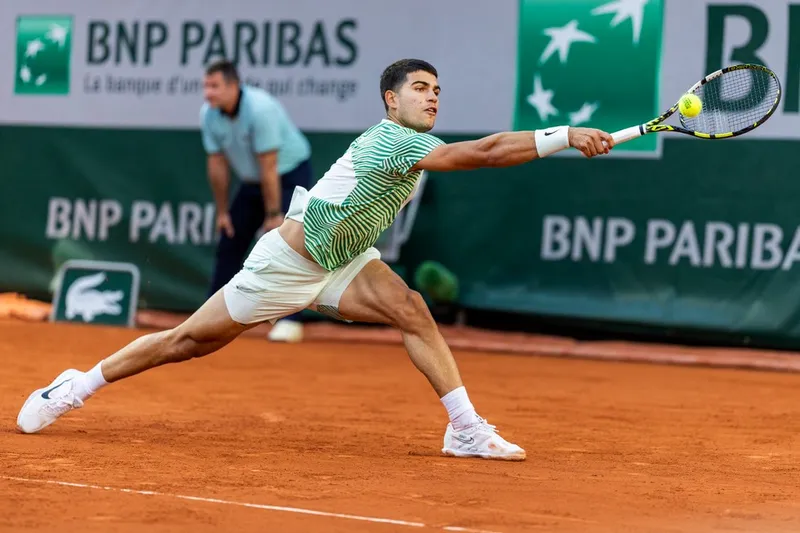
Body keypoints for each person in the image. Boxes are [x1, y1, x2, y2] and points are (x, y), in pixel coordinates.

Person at [16, 58, 614, 461]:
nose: (432, 98)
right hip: (286, 266)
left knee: (412, 309)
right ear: (391, 99)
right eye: (420, 89)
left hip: (347, 259)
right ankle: (76, 386)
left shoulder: (416, 141)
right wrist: (563, 135)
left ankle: (464, 429)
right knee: (188, 342)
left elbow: (479, 151)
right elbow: (483, 153)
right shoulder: (392, 140)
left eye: (437, 91)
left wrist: (563, 138)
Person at [201, 59, 311, 343]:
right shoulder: (209, 114)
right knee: (230, 240)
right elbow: (217, 164)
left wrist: (274, 214)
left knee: (290, 247)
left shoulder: (260, 109)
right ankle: (209, 318)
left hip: (288, 176)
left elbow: (269, 166)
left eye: (214, 86)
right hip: (251, 182)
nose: (207, 93)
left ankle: (291, 322)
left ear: (233, 86)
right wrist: (223, 211)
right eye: (206, 86)